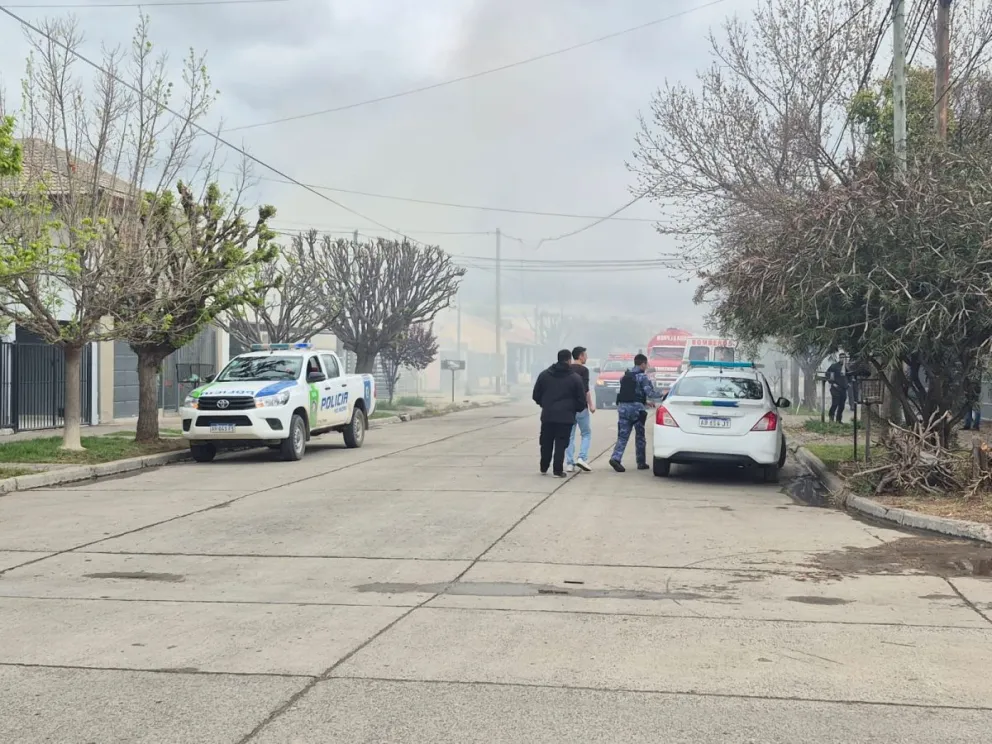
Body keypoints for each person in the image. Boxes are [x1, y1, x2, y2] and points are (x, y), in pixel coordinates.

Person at [532, 349, 587, 477]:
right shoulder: (575, 378)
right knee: (561, 444)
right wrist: (574, 409)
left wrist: (544, 404)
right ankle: (557, 470)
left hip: (548, 415)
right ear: (569, 360)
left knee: (546, 442)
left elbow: (536, 395)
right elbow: (581, 400)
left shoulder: (544, 375)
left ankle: (544, 467)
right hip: (566, 417)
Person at [609, 353, 663, 473]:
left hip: (623, 408)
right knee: (640, 436)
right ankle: (641, 462)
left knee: (622, 436)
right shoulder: (642, 377)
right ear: (643, 364)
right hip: (637, 410)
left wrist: (645, 402)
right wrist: (663, 394)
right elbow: (650, 393)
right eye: (646, 364)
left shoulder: (625, 376)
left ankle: (615, 458)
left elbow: (631, 393)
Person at [565, 345, 595, 472]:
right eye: (585, 355)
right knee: (586, 433)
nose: (586, 357)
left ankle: (570, 463)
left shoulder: (566, 369)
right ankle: (582, 458)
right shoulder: (584, 370)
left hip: (568, 408)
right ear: (581, 356)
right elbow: (586, 390)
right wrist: (591, 405)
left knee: (569, 436)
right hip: (581, 407)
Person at [826, 353, 849, 424]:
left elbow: (850, 376)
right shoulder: (834, 366)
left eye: (844, 358)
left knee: (842, 405)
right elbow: (828, 374)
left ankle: (839, 420)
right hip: (835, 388)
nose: (842, 359)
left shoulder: (847, 367)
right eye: (841, 357)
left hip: (843, 388)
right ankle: (831, 418)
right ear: (839, 358)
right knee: (835, 404)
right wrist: (832, 383)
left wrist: (849, 384)